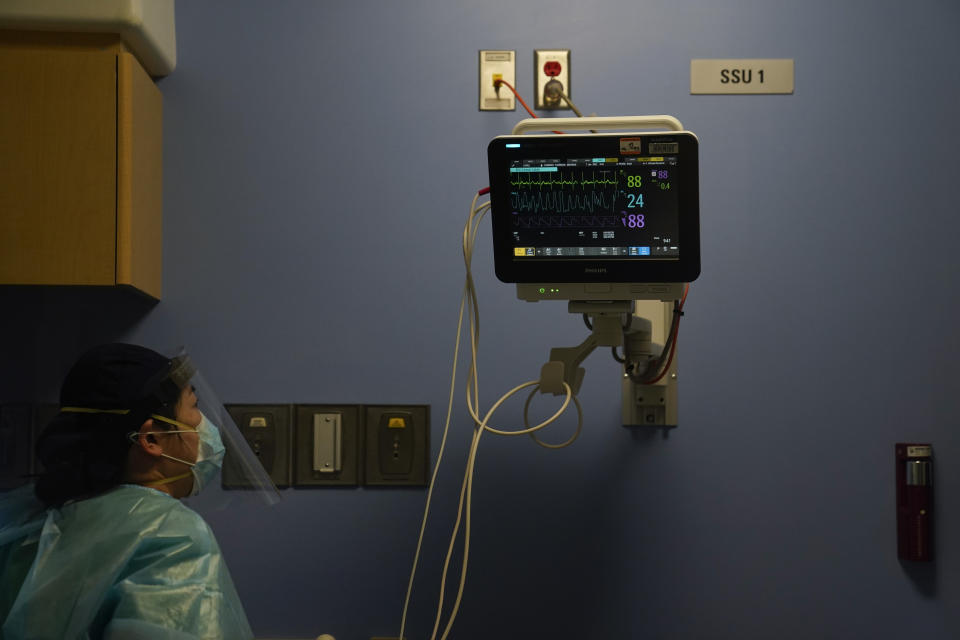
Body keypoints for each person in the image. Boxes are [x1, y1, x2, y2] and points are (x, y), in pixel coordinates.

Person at [0, 343, 253, 639]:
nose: (203, 425)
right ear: (152, 439)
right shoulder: (171, 538)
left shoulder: (23, 518)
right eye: (194, 407)